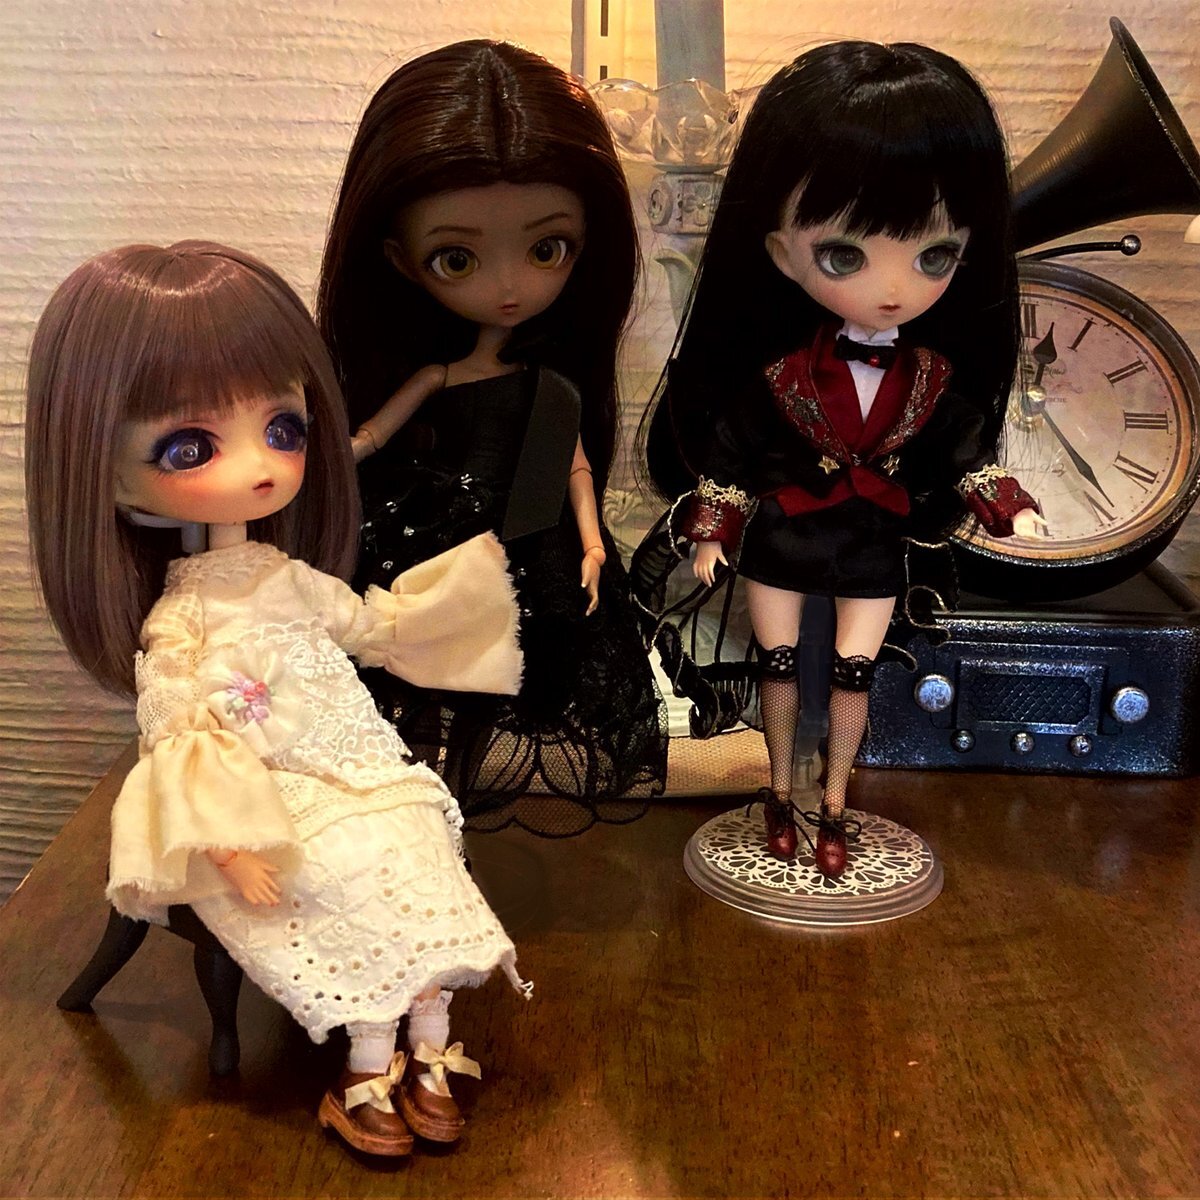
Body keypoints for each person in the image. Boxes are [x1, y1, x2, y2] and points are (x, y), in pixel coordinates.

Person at [24, 240, 531, 1157]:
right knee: (342, 872)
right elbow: (176, 735)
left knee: (419, 847)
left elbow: (365, 624)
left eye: (284, 429)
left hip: (356, 770)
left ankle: (428, 1043)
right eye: (191, 446)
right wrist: (227, 843)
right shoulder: (180, 622)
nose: (259, 466)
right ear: (103, 468)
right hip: (262, 799)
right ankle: (362, 1069)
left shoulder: (287, 577)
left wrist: (456, 617)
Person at [641, 40, 1045, 878]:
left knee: (856, 674)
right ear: (782, 252)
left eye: (933, 256)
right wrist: (713, 531)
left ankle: (833, 803)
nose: (892, 288)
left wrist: (1007, 504)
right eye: (845, 255)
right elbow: (733, 453)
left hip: (871, 542)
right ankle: (777, 793)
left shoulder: (931, 379)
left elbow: (964, 448)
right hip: (785, 535)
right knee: (779, 664)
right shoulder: (782, 377)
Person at [317, 39, 666, 835]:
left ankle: (454, 815)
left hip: (525, 548)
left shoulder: (553, 391)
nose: (508, 288)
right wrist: (331, 458)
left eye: (547, 249)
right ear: (400, 261)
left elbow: (576, 469)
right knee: (410, 684)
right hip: (429, 543)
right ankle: (408, 818)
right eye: (457, 258)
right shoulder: (438, 376)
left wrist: (592, 546)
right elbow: (372, 434)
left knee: (494, 687)